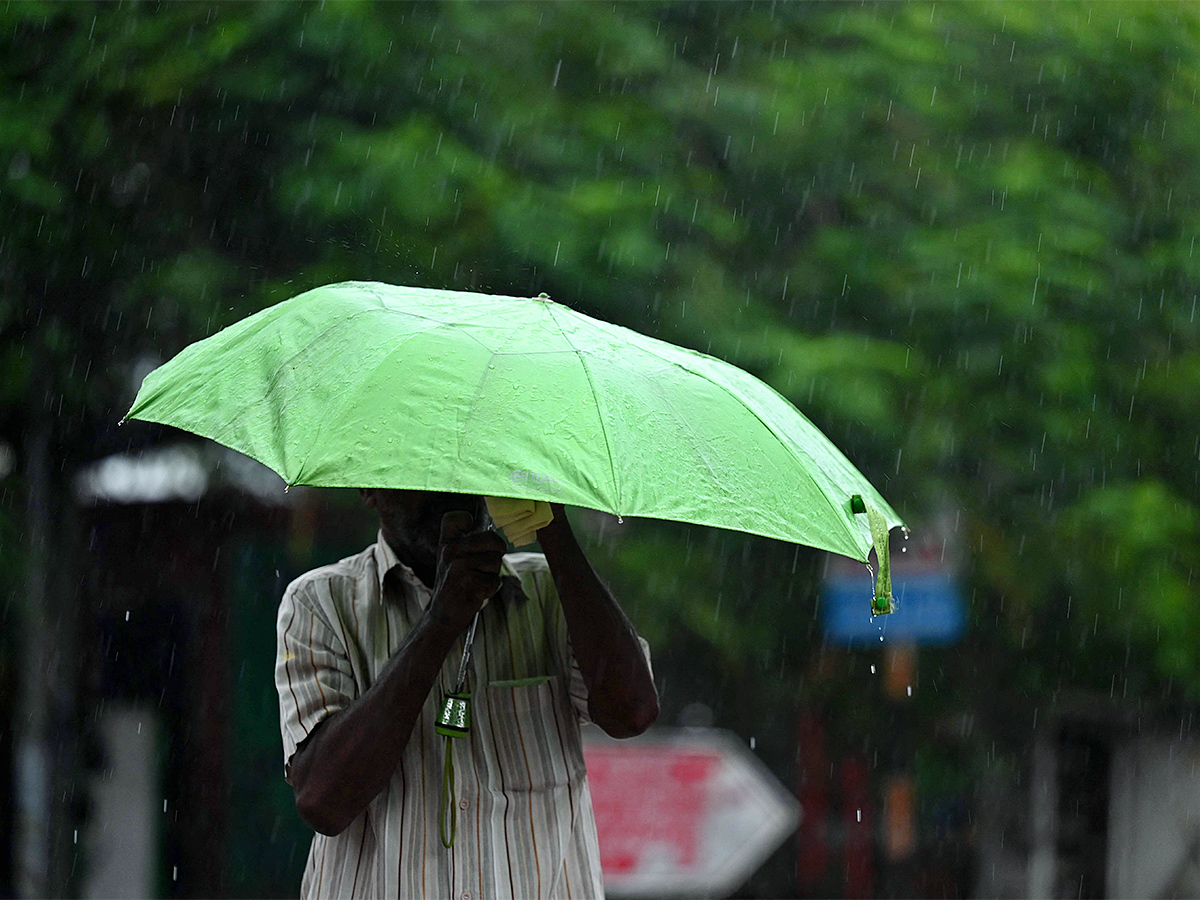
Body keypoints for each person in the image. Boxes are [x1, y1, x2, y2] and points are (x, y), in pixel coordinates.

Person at [275, 489, 658, 899]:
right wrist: (440, 621)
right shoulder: (320, 602)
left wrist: (551, 523)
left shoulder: (550, 591)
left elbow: (631, 713)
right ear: (370, 487)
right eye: (422, 464)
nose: (448, 486)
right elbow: (324, 800)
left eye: (463, 464)